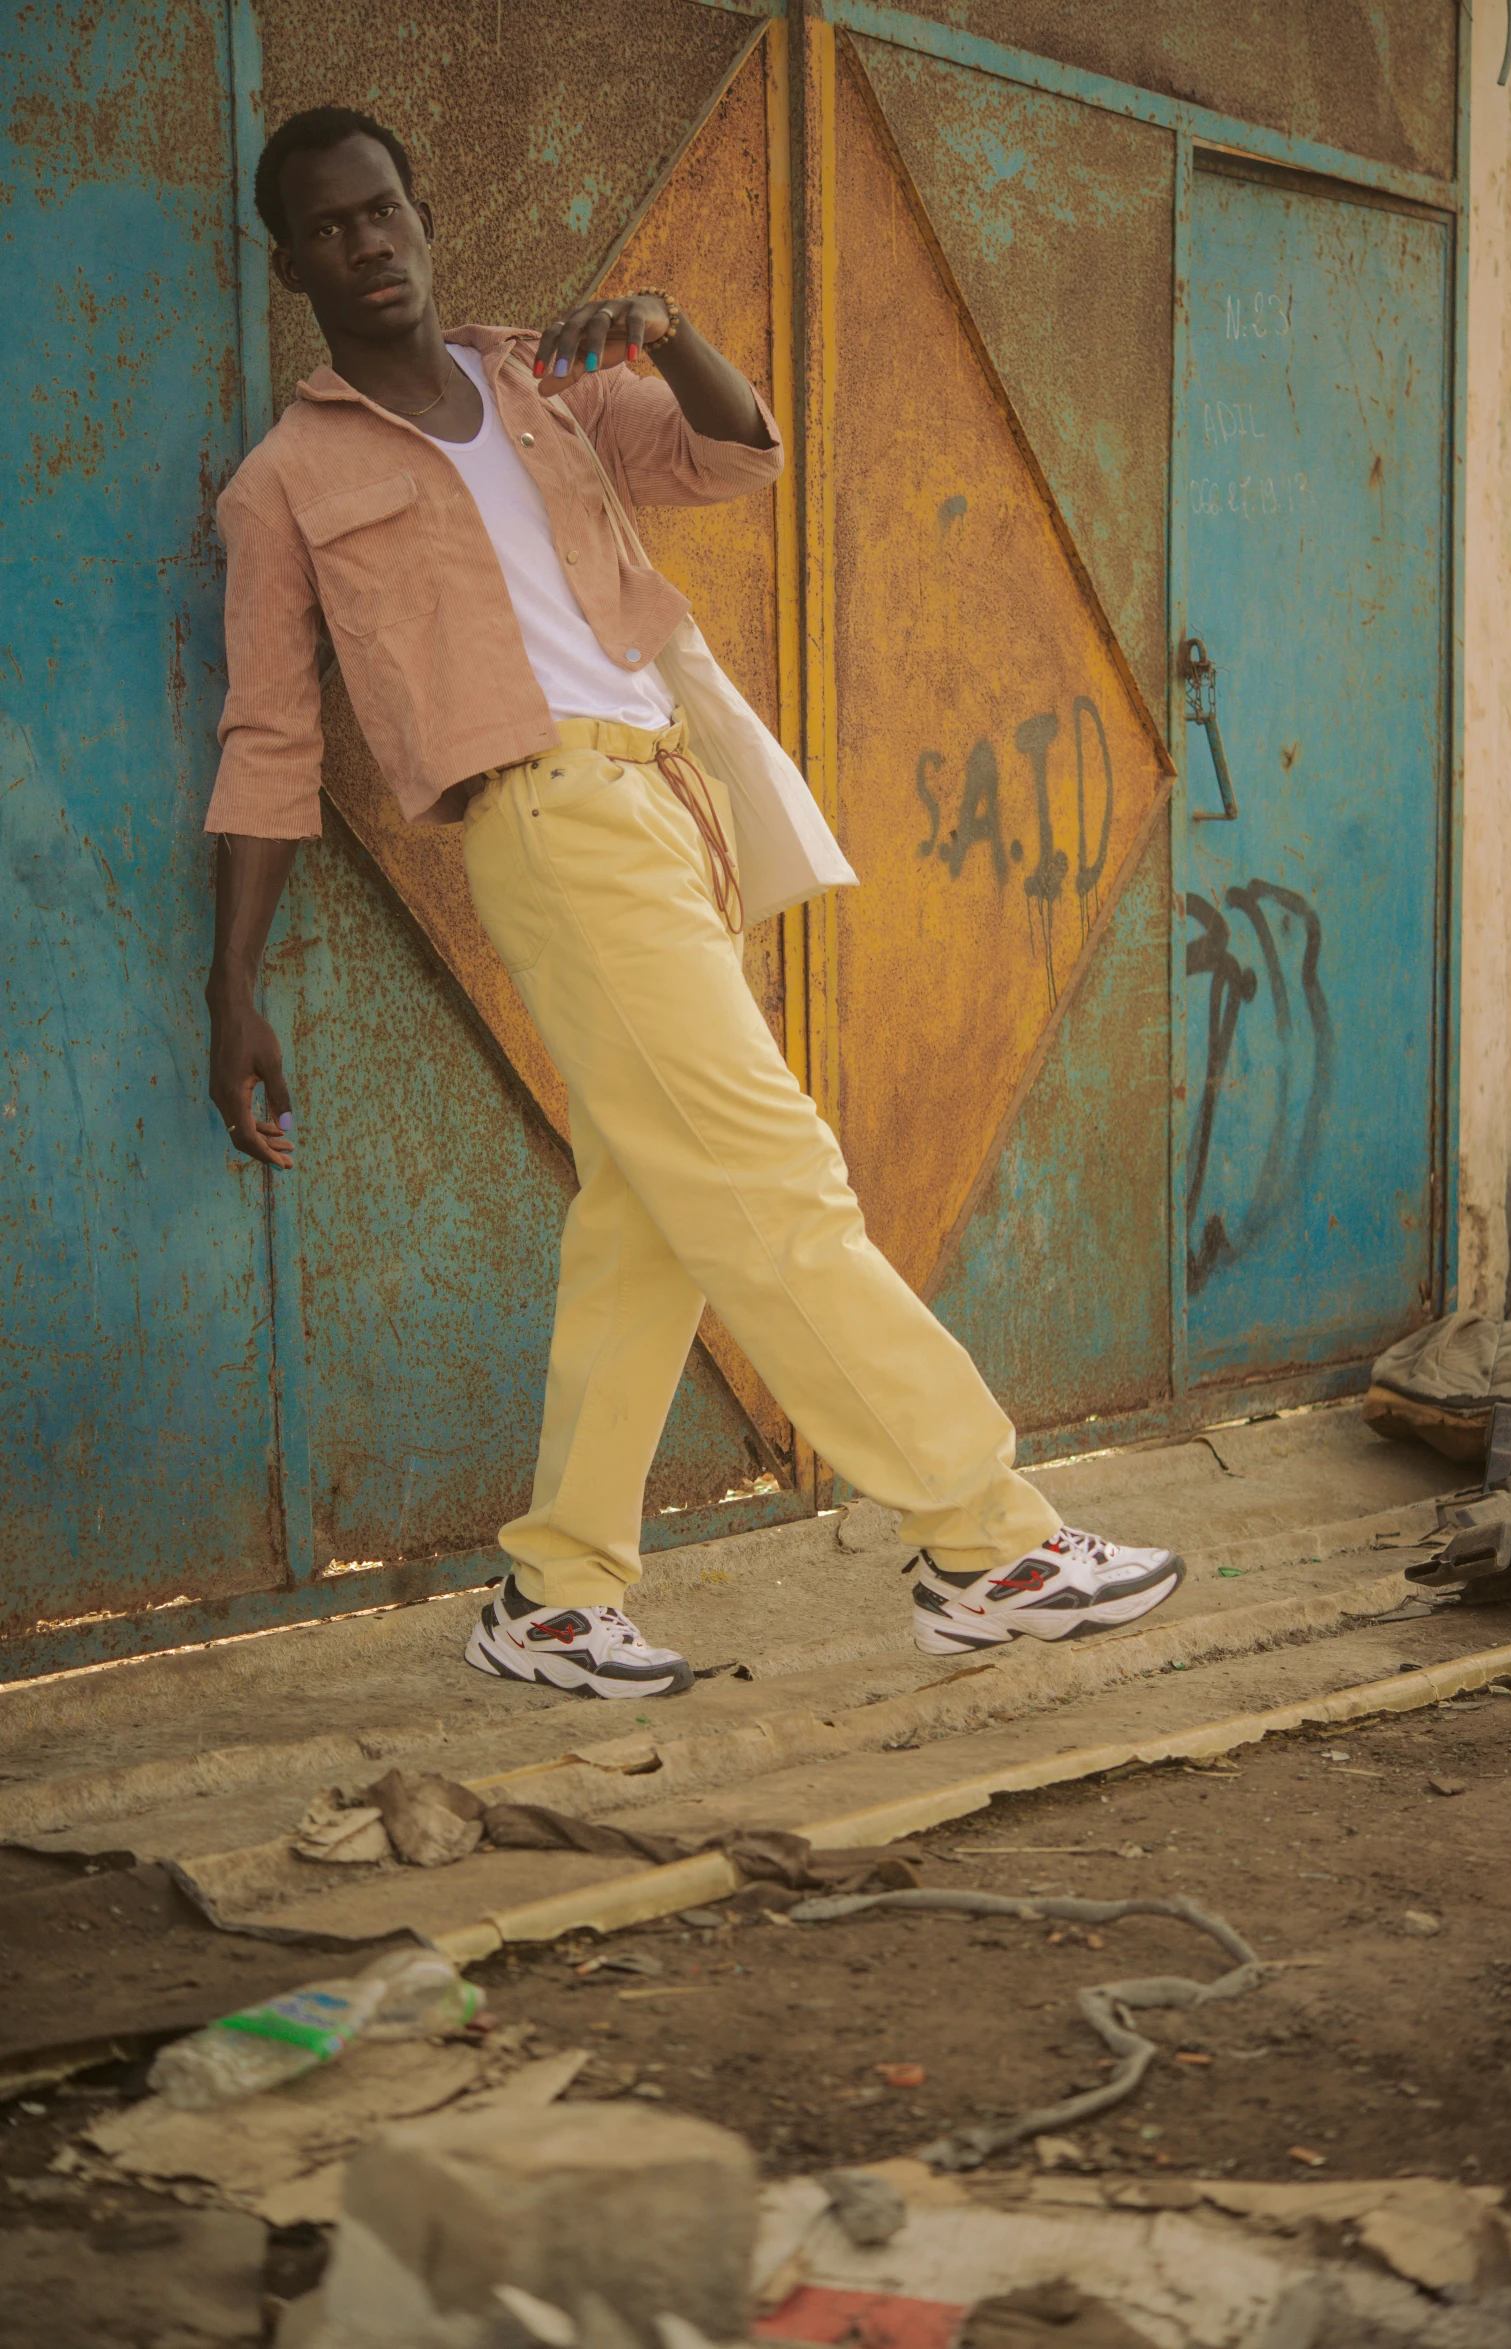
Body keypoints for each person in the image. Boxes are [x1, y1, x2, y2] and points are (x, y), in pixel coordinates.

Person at [205, 106, 1184, 1701]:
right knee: (769, 1174)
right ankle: (980, 1538)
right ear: (289, 260)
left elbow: (736, 455)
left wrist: (668, 326)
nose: (365, 243)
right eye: (327, 227)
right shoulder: (288, 480)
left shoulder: (542, 384)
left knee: (650, 1214)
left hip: (670, 796)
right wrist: (229, 984)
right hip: (549, 822)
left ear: (423, 211)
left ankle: (553, 1595)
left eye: (383, 209)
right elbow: (268, 740)